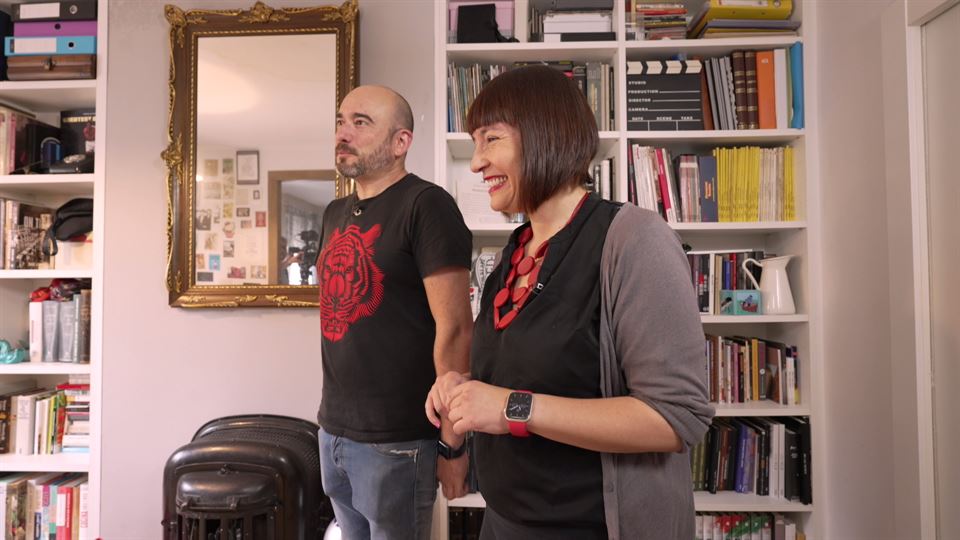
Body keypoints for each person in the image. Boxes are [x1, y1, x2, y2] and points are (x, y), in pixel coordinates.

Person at [425, 66, 714, 539]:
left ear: (545, 133)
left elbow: (674, 418)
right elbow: (528, 377)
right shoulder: (512, 254)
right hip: (504, 522)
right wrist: (464, 390)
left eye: (491, 139)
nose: (476, 163)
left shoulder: (636, 240)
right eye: (475, 144)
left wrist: (511, 407)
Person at [317, 85, 474, 540]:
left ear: (401, 141)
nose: (343, 133)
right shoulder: (334, 212)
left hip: (398, 440)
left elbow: (457, 328)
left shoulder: (427, 206)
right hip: (333, 431)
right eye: (340, 121)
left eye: (360, 122)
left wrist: (452, 443)